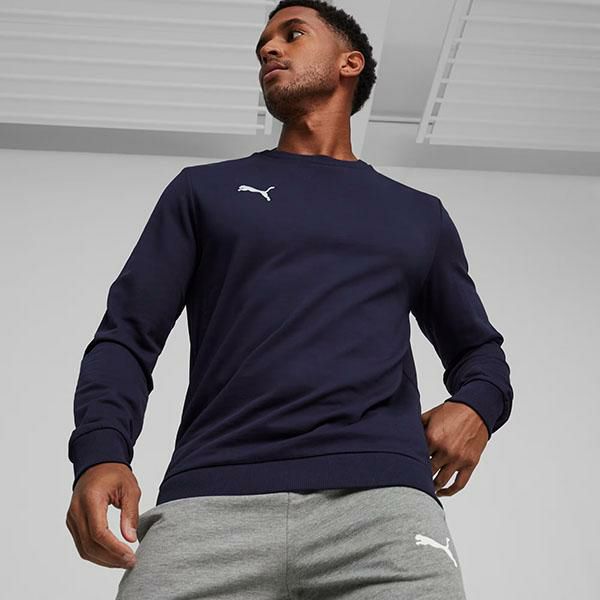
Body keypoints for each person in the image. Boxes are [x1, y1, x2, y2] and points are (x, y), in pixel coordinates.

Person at [65, 1, 513, 598]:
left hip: (383, 513)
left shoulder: (418, 215)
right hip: (208, 505)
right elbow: (127, 335)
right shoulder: (204, 191)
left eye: (293, 34)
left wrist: (477, 406)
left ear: (350, 62)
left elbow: (480, 352)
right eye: (263, 45)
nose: (270, 49)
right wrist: (100, 453)